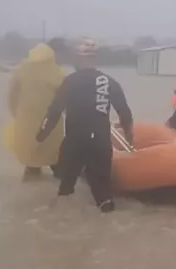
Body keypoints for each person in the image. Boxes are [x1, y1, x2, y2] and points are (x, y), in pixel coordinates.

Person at [36, 38, 133, 213]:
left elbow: (54, 112)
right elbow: (125, 114)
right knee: (102, 188)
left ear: (80, 59)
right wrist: (130, 139)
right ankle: (106, 215)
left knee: (66, 185)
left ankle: (60, 221)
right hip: (101, 142)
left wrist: (41, 135)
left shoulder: (70, 81)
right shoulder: (110, 82)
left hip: (75, 142)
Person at [8, 38, 66, 181]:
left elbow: (12, 95)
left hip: (26, 124)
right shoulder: (57, 71)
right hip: (51, 125)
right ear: (55, 52)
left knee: (32, 163)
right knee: (58, 164)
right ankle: (63, 197)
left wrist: (17, 114)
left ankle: (27, 196)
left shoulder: (22, 67)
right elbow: (66, 98)